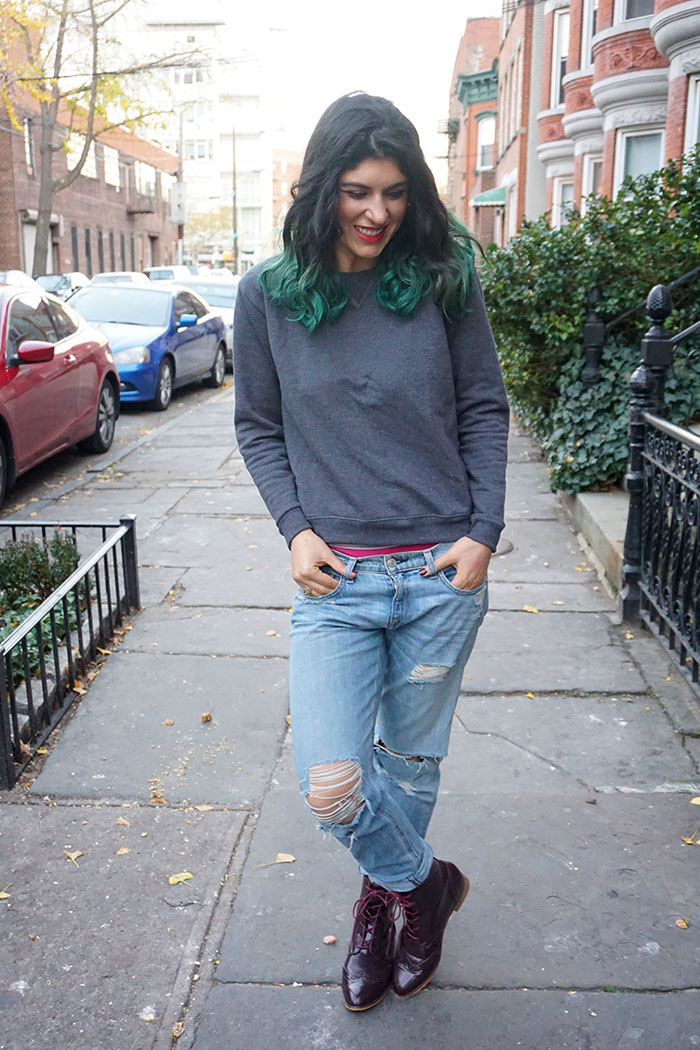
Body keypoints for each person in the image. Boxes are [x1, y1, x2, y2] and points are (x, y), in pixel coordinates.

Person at [233, 92, 509, 1012]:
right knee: (332, 785)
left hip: (439, 574)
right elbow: (258, 426)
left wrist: (483, 532)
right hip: (336, 580)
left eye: (395, 192)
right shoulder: (269, 296)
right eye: (357, 191)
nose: (377, 213)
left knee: (410, 767)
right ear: (322, 190)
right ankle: (424, 886)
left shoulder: (443, 280)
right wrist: (295, 528)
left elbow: (484, 407)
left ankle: (382, 908)